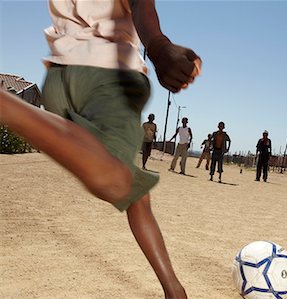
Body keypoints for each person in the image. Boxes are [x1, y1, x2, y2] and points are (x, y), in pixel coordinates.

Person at [0, 1, 202, 298]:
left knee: (136, 194)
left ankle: (174, 290)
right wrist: (159, 46)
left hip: (60, 79)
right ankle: (6, 105)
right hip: (107, 74)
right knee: (117, 181)